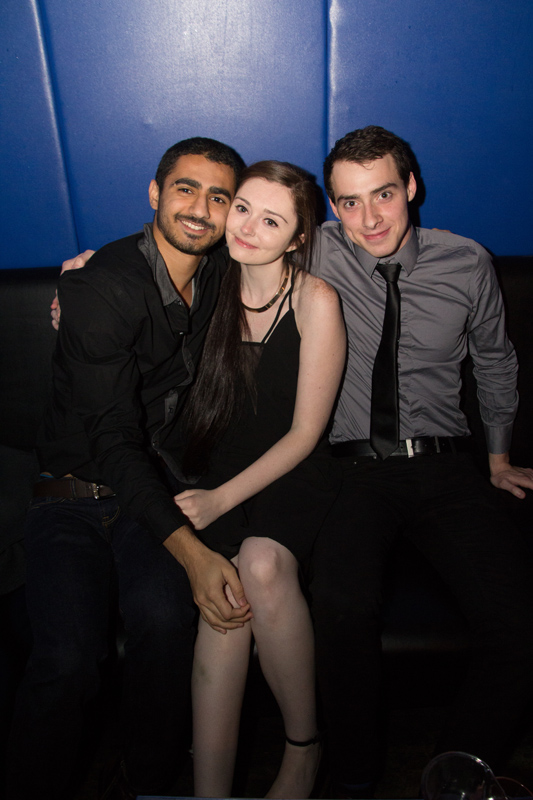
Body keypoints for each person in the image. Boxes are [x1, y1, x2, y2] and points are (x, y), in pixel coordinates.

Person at [7, 137, 251, 800]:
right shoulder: (102, 286)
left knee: (166, 626)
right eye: (185, 188)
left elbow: (297, 243)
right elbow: (114, 439)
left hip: (154, 494)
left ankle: (148, 781)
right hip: (70, 497)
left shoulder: (222, 272)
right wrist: (193, 554)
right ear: (154, 193)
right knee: (67, 659)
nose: (200, 208)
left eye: (219, 197)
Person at [309, 125, 533, 797]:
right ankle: (351, 781)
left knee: (519, 624)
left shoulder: (466, 261)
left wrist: (497, 458)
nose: (369, 219)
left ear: (410, 186)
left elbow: (495, 361)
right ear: (332, 207)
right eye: (349, 202)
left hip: (443, 465)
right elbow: (212, 241)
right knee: (339, 608)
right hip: (350, 468)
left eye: (383, 194)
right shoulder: (312, 249)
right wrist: (97, 269)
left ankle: (454, 777)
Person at [174, 160, 346, 798]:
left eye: (271, 221)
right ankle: (209, 790)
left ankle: (303, 748)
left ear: (298, 238)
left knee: (262, 564)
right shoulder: (204, 280)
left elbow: (305, 435)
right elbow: (134, 271)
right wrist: (79, 277)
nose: (246, 227)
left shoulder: (315, 300)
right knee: (223, 601)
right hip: (216, 469)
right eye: (241, 208)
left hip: (291, 471)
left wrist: (219, 501)